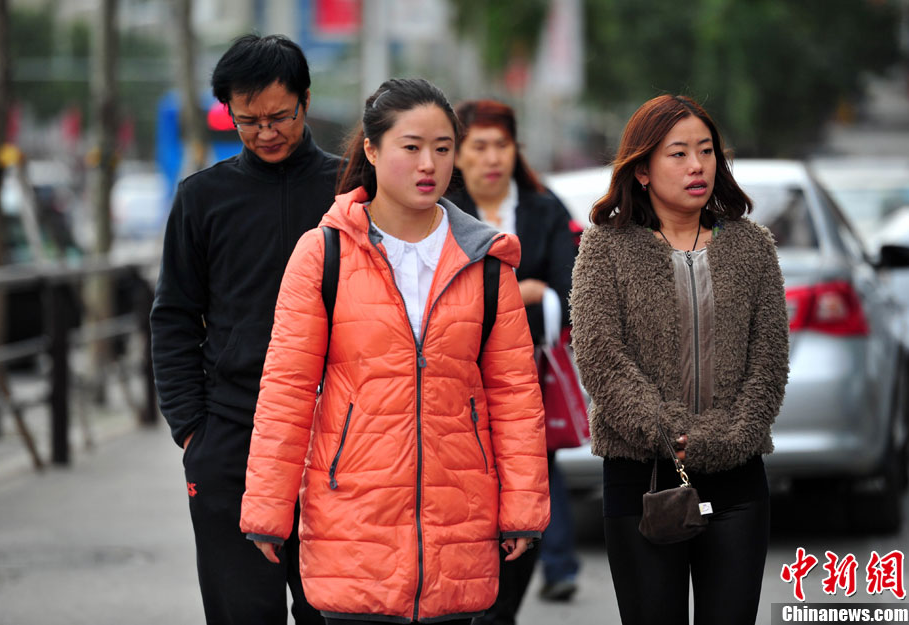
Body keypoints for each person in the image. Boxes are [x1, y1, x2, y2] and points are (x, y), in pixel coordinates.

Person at [239, 78, 550, 625]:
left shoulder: (486, 261)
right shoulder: (322, 253)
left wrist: (523, 509)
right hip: (353, 525)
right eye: (411, 147)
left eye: (443, 148)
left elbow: (515, 395)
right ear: (372, 149)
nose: (429, 164)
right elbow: (286, 390)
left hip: (458, 526)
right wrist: (267, 510)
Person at [569, 94, 789, 624]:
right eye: (678, 153)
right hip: (641, 477)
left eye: (707, 151)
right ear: (641, 169)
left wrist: (729, 438)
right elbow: (601, 359)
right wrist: (669, 431)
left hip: (737, 477)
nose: (697, 166)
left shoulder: (752, 248)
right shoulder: (605, 248)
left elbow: (769, 361)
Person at [150, 34, 340, 625]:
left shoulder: (351, 192)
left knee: (334, 612)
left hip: (337, 437)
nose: (265, 132)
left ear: (305, 102)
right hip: (232, 437)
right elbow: (174, 317)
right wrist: (192, 432)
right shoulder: (202, 199)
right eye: (247, 120)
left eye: (279, 116)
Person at [448, 99, 581, 621]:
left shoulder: (545, 210)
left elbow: (570, 290)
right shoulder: (440, 211)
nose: (491, 158)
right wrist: (517, 291)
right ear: (457, 155)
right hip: (457, 383)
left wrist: (536, 295)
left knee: (533, 483)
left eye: (501, 145)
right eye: (478, 146)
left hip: (529, 381)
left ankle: (524, 592)